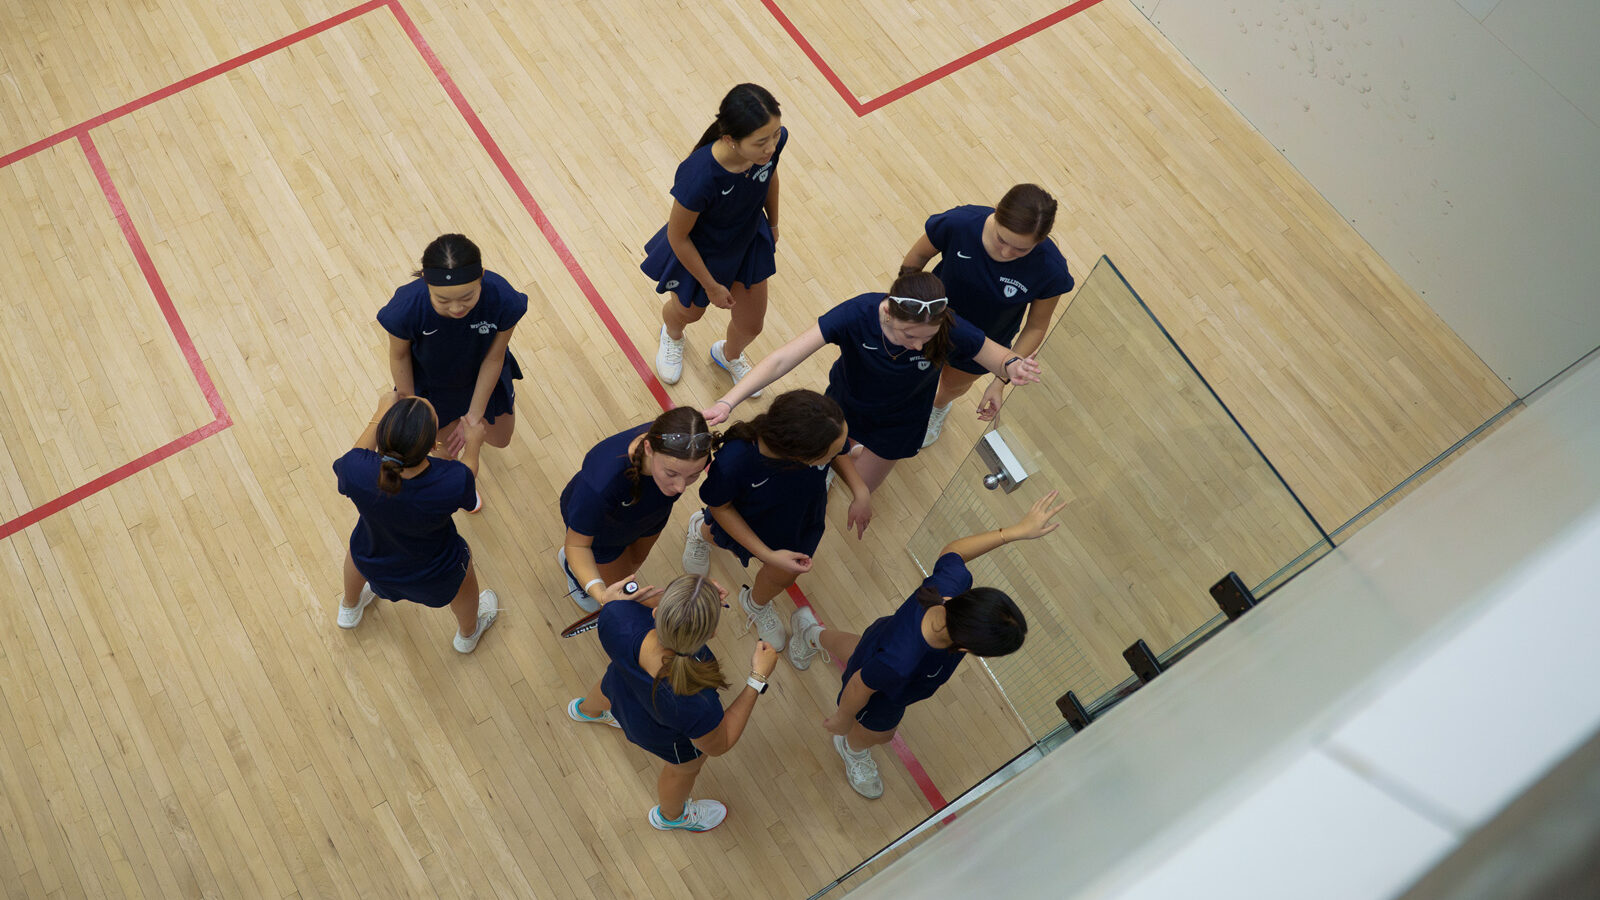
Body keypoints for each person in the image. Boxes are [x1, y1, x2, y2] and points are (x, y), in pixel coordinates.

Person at [788, 490, 1067, 798]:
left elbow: (954, 551)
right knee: (881, 733)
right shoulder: (901, 663)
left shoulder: (951, 586)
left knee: (859, 651)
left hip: (880, 640)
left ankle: (810, 632)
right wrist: (842, 719)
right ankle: (851, 748)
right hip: (884, 690)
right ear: (963, 648)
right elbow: (858, 686)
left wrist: (1014, 532)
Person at [703, 272, 1043, 493]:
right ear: (888, 314)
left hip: (900, 423)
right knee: (815, 467)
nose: (919, 346)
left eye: (928, 338)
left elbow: (995, 355)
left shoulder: (945, 325)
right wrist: (727, 402)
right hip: (843, 407)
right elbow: (782, 358)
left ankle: (840, 462)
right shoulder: (857, 314)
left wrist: (1011, 367)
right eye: (909, 335)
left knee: (860, 486)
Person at [568, 574, 779, 832]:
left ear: (656, 612)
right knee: (686, 769)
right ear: (711, 634)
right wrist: (758, 679)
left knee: (610, 684)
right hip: (656, 733)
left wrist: (687, 600)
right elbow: (719, 744)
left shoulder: (615, 617)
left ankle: (585, 711)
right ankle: (671, 817)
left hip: (619, 689)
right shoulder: (697, 703)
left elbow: (618, 603)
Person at [681, 389, 870, 651]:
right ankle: (697, 530)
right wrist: (766, 554)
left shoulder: (820, 436)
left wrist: (860, 490)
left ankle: (754, 604)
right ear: (799, 454)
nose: (841, 453)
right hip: (747, 520)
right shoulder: (735, 462)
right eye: (829, 454)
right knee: (716, 534)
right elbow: (721, 506)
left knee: (786, 574)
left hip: (798, 519)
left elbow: (840, 451)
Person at [898, 184, 1075, 447]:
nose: (1006, 253)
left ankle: (937, 409)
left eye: (1021, 250)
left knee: (951, 386)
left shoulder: (1051, 270)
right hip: (928, 324)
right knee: (908, 372)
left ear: (1040, 241)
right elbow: (918, 256)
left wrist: (1001, 379)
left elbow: (1036, 327)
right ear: (996, 213)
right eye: (1002, 239)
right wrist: (906, 307)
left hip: (984, 346)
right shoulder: (959, 223)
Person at [644, 83, 785, 393]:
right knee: (687, 312)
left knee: (751, 324)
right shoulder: (700, 176)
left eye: (775, 135)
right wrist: (712, 285)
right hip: (702, 253)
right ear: (729, 140)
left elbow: (770, 174)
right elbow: (678, 237)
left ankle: (728, 355)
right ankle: (672, 334)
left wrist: (773, 224)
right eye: (761, 141)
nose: (771, 147)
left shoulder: (768, 147)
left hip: (748, 242)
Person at [333, 390, 498, 653]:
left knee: (356, 552)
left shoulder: (356, 470)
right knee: (464, 577)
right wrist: (474, 443)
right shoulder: (452, 481)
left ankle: (349, 608)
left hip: (373, 561)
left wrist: (380, 412)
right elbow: (468, 472)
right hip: (435, 576)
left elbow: (355, 455)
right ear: (434, 445)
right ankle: (468, 634)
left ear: (384, 433)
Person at [378, 234, 526, 489]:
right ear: (425, 281)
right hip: (432, 385)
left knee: (501, 439)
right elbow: (399, 355)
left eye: (467, 297)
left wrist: (473, 416)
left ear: (482, 276)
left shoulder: (503, 298)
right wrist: (414, 407)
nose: (457, 308)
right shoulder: (404, 310)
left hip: (482, 374)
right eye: (443, 301)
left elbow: (494, 357)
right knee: (444, 453)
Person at [559, 407, 714, 612]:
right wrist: (601, 594)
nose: (680, 487)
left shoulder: (681, 441)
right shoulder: (600, 484)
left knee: (634, 562)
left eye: (693, 475)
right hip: (600, 533)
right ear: (648, 448)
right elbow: (577, 546)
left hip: (650, 516)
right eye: (671, 473)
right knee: (625, 586)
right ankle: (576, 574)